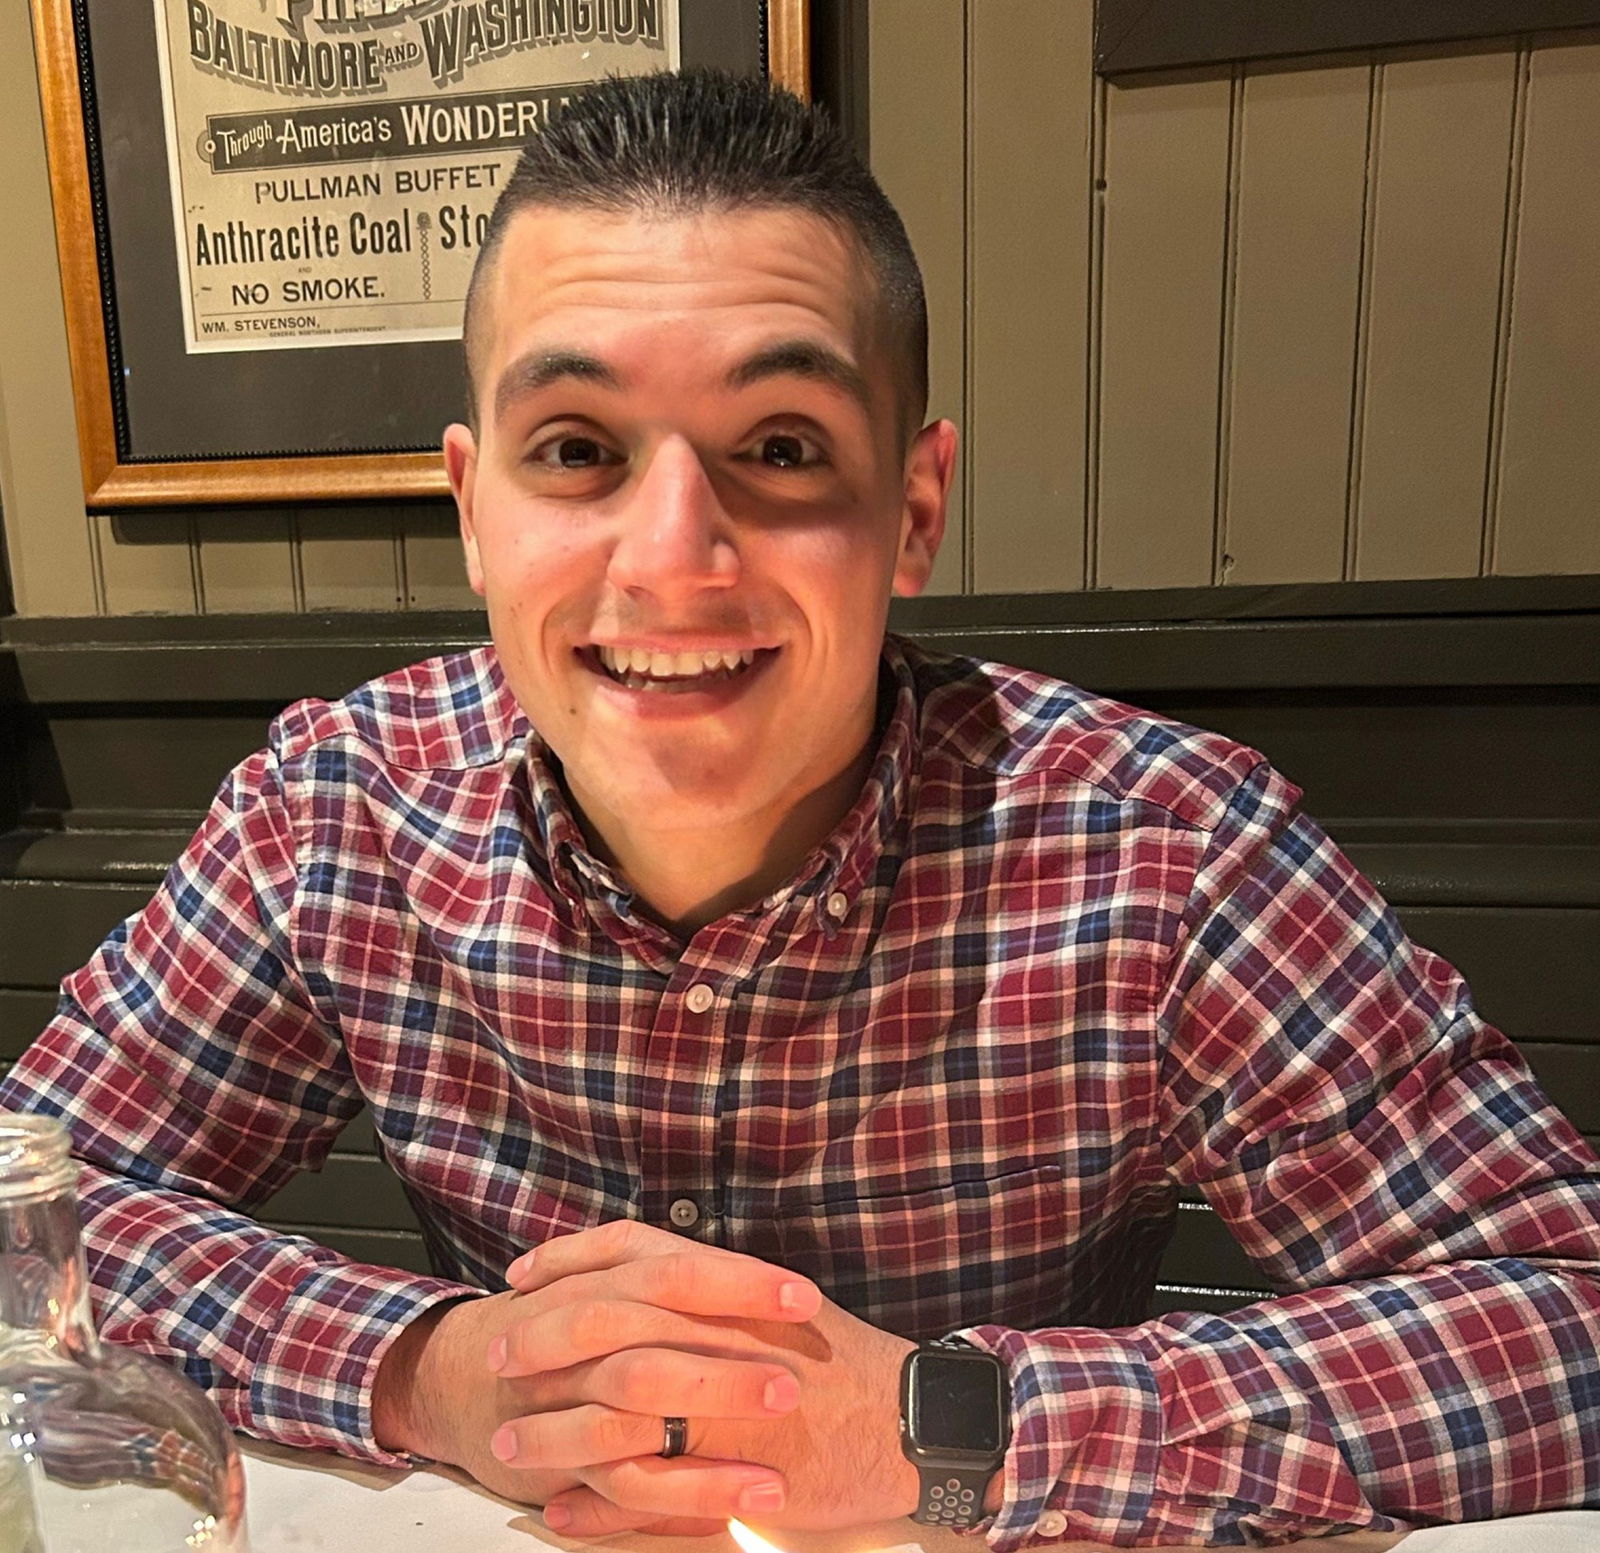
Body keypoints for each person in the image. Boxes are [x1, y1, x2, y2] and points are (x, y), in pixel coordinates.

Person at [3, 68, 1598, 1549]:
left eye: (780, 445)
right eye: (576, 448)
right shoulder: (336, 808)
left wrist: (941, 1422)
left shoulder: (1164, 847)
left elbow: (1569, 1309)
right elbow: (29, 1211)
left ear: (913, 508)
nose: (674, 552)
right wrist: (428, 1365)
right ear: (473, 508)